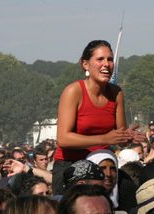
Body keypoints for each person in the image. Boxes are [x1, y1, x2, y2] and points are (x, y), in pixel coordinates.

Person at [53, 40, 144, 195]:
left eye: (110, 59)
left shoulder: (116, 93)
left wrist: (127, 137)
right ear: (85, 64)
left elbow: (118, 138)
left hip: (103, 165)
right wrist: (105, 139)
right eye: (100, 59)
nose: (106, 64)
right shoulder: (73, 91)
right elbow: (63, 139)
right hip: (70, 165)